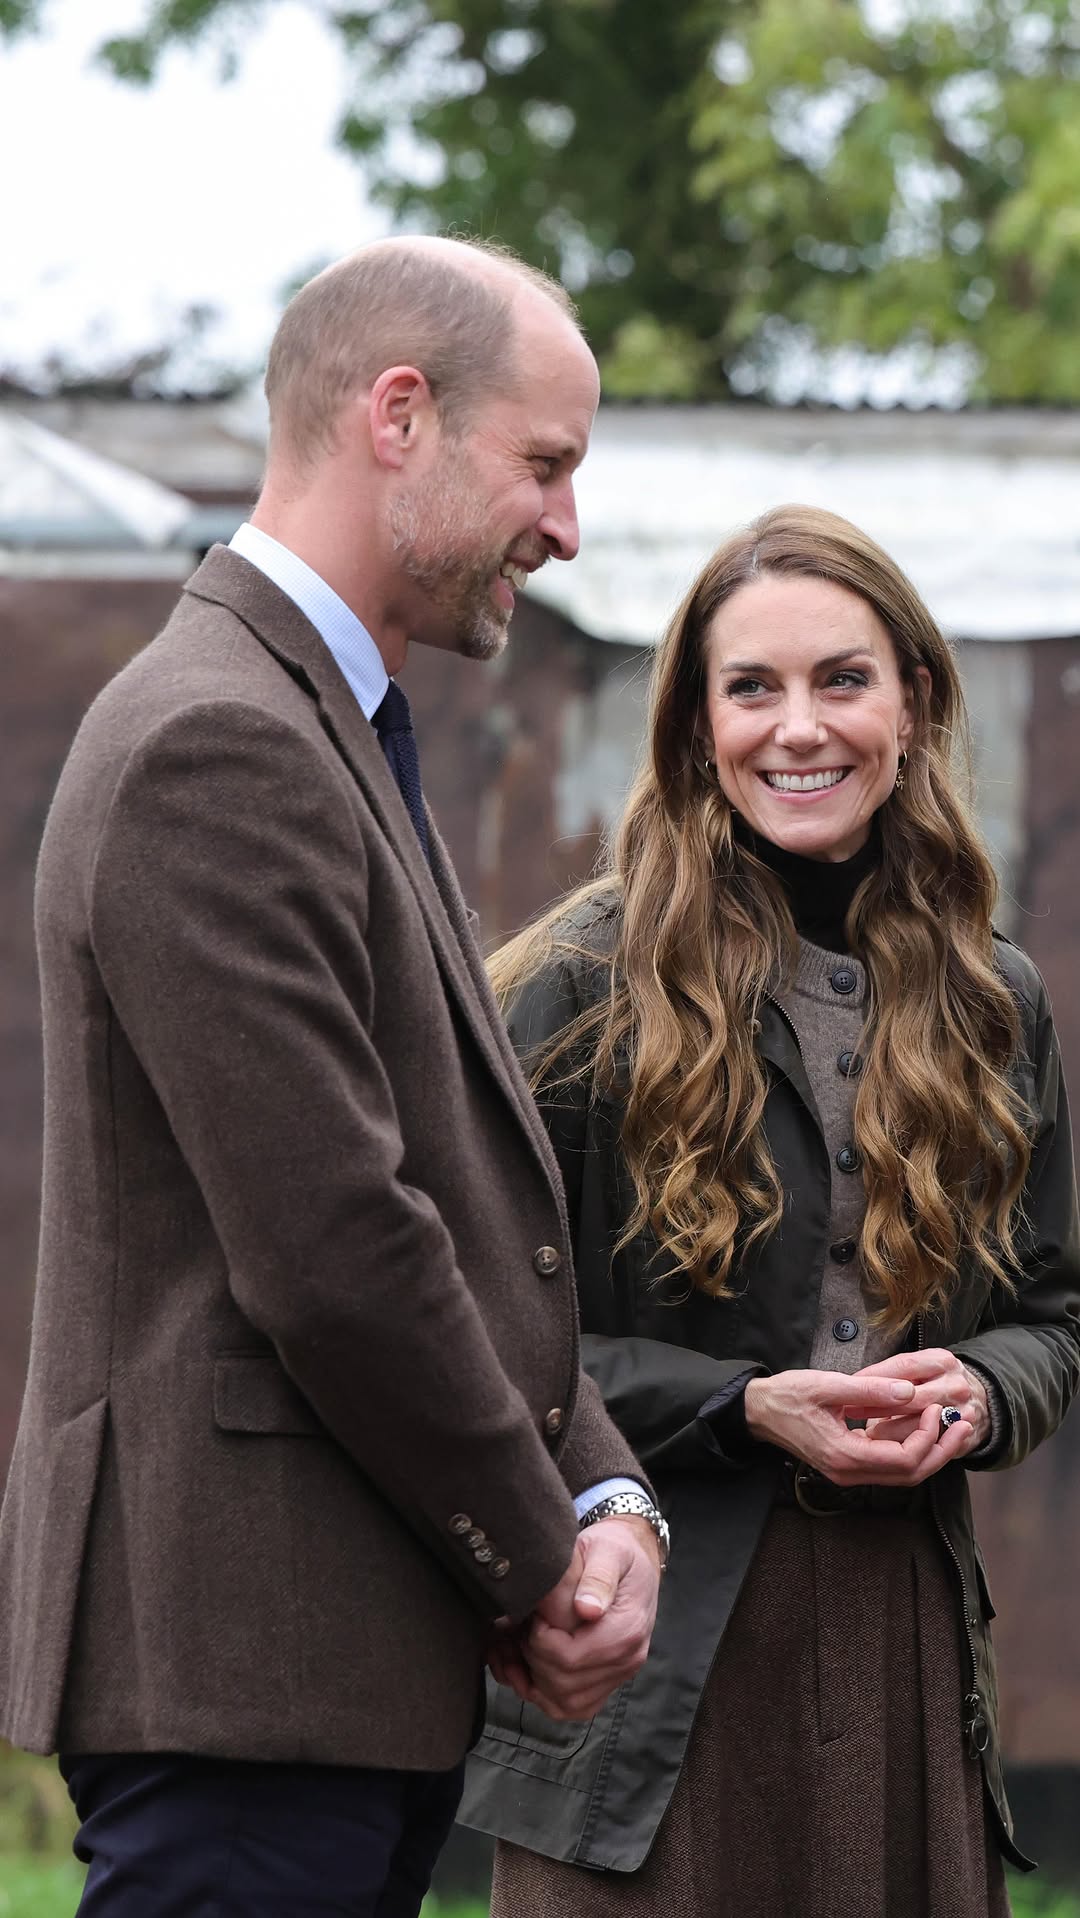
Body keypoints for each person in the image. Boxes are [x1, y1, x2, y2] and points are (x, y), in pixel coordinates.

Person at [0, 236, 665, 1918]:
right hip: (243, 1678)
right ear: (398, 415)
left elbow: (456, 1193)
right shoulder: (214, 741)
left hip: (326, 1666)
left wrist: (608, 1494)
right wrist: (536, 1556)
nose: (565, 527)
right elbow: (340, 1243)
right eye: (546, 463)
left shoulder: (328, 726)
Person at [460, 504, 1080, 1917]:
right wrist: (740, 1406)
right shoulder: (573, 989)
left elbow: (1056, 1309)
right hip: (646, 1641)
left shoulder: (995, 999)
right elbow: (486, 1338)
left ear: (913, 703)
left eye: (842, 679)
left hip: (902, 1631)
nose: (798, 728)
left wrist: (982, 1390)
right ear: (695, 724)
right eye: (753, 687)